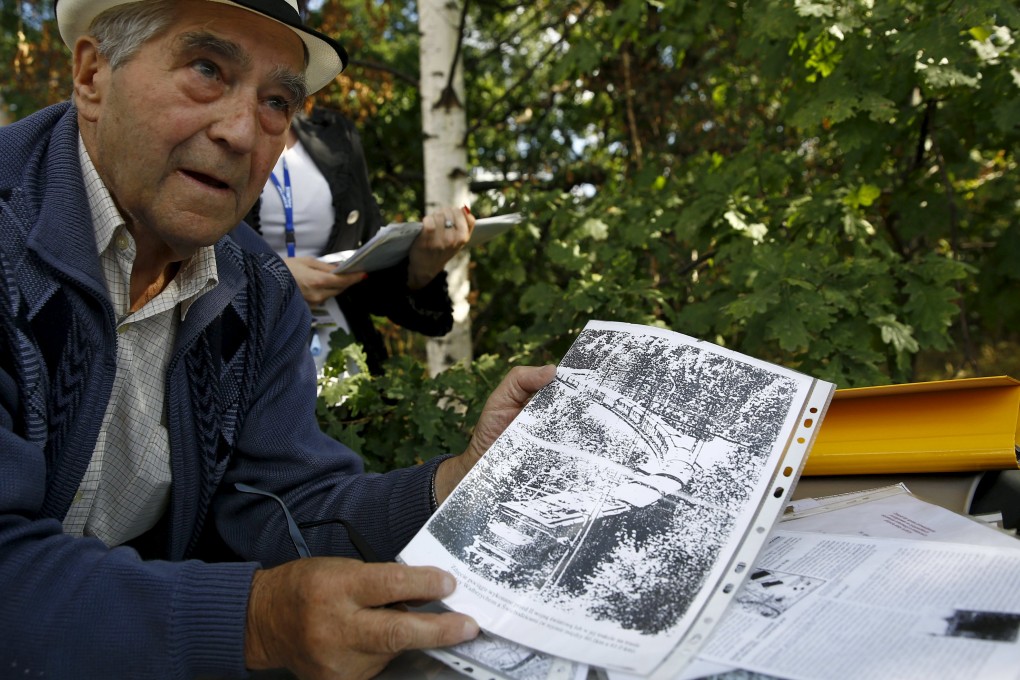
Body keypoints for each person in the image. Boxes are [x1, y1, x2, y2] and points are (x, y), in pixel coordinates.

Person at [0, 1, 555, 678]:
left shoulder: (257, 290)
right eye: (207, 69)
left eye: (276, 102)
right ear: (92, 76)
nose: (242, 132)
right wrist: (255, 621)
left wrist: (457, 484)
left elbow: (283, 507)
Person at [243, 105, 466, 375]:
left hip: (345, 365)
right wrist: (272, 279)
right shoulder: (221, 132)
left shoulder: (337, 136)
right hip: (245, 360)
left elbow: (372, 272)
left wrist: (420, 270)